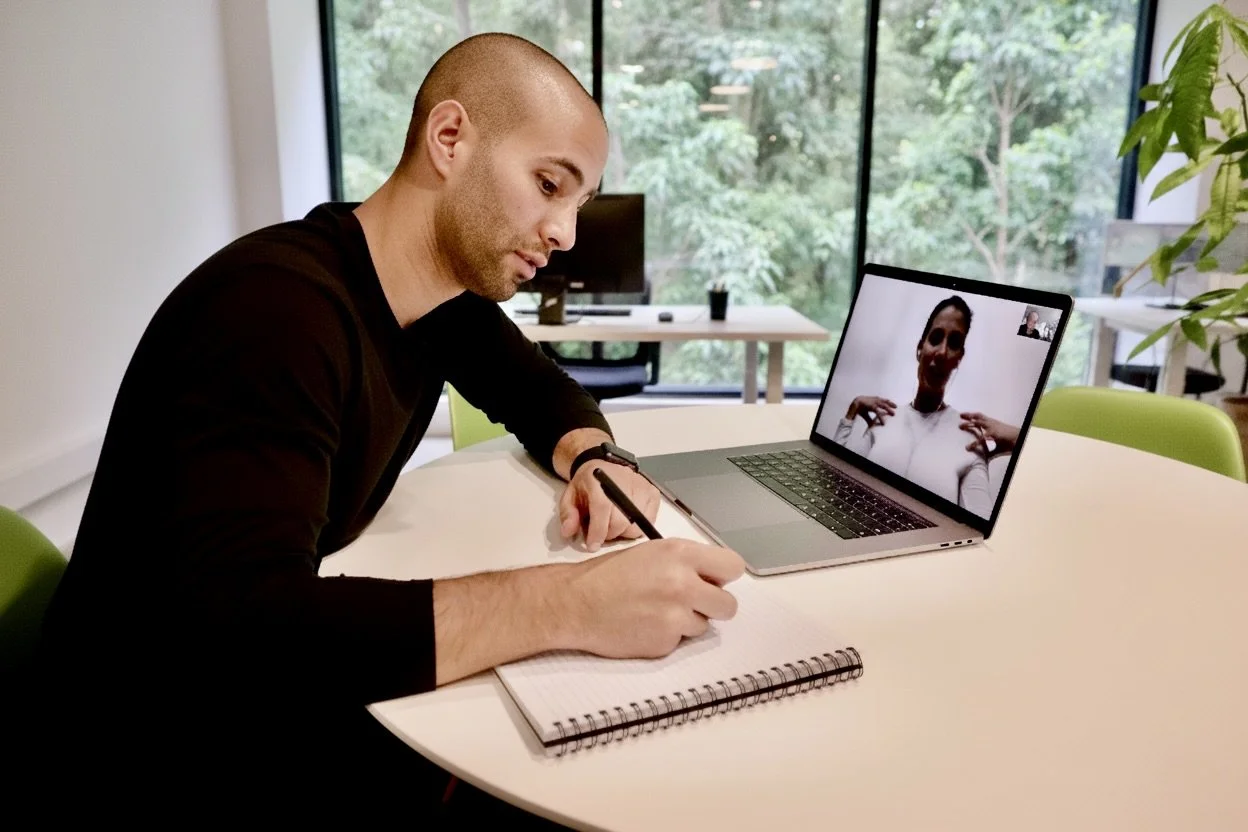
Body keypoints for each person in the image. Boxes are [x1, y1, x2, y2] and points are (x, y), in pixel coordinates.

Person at [33, 33, 744, 816]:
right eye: (549, 185)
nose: (565, 234)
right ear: (449, 139)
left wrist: (594, 457)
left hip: (251, 704)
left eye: (575, 203)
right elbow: (240, 633)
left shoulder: (432, 299)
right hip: (153, 747)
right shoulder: (274, 313)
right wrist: (571, 602)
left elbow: (541, 391)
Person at [832, 296, 994, 516]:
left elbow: (979, 524)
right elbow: (836, 488)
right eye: (936, 338)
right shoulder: (885, 418)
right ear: (920, 348)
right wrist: (852, 411)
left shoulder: (968, 437)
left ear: (959, 359)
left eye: (954, 343)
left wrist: (1015, 439)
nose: (942, 352)